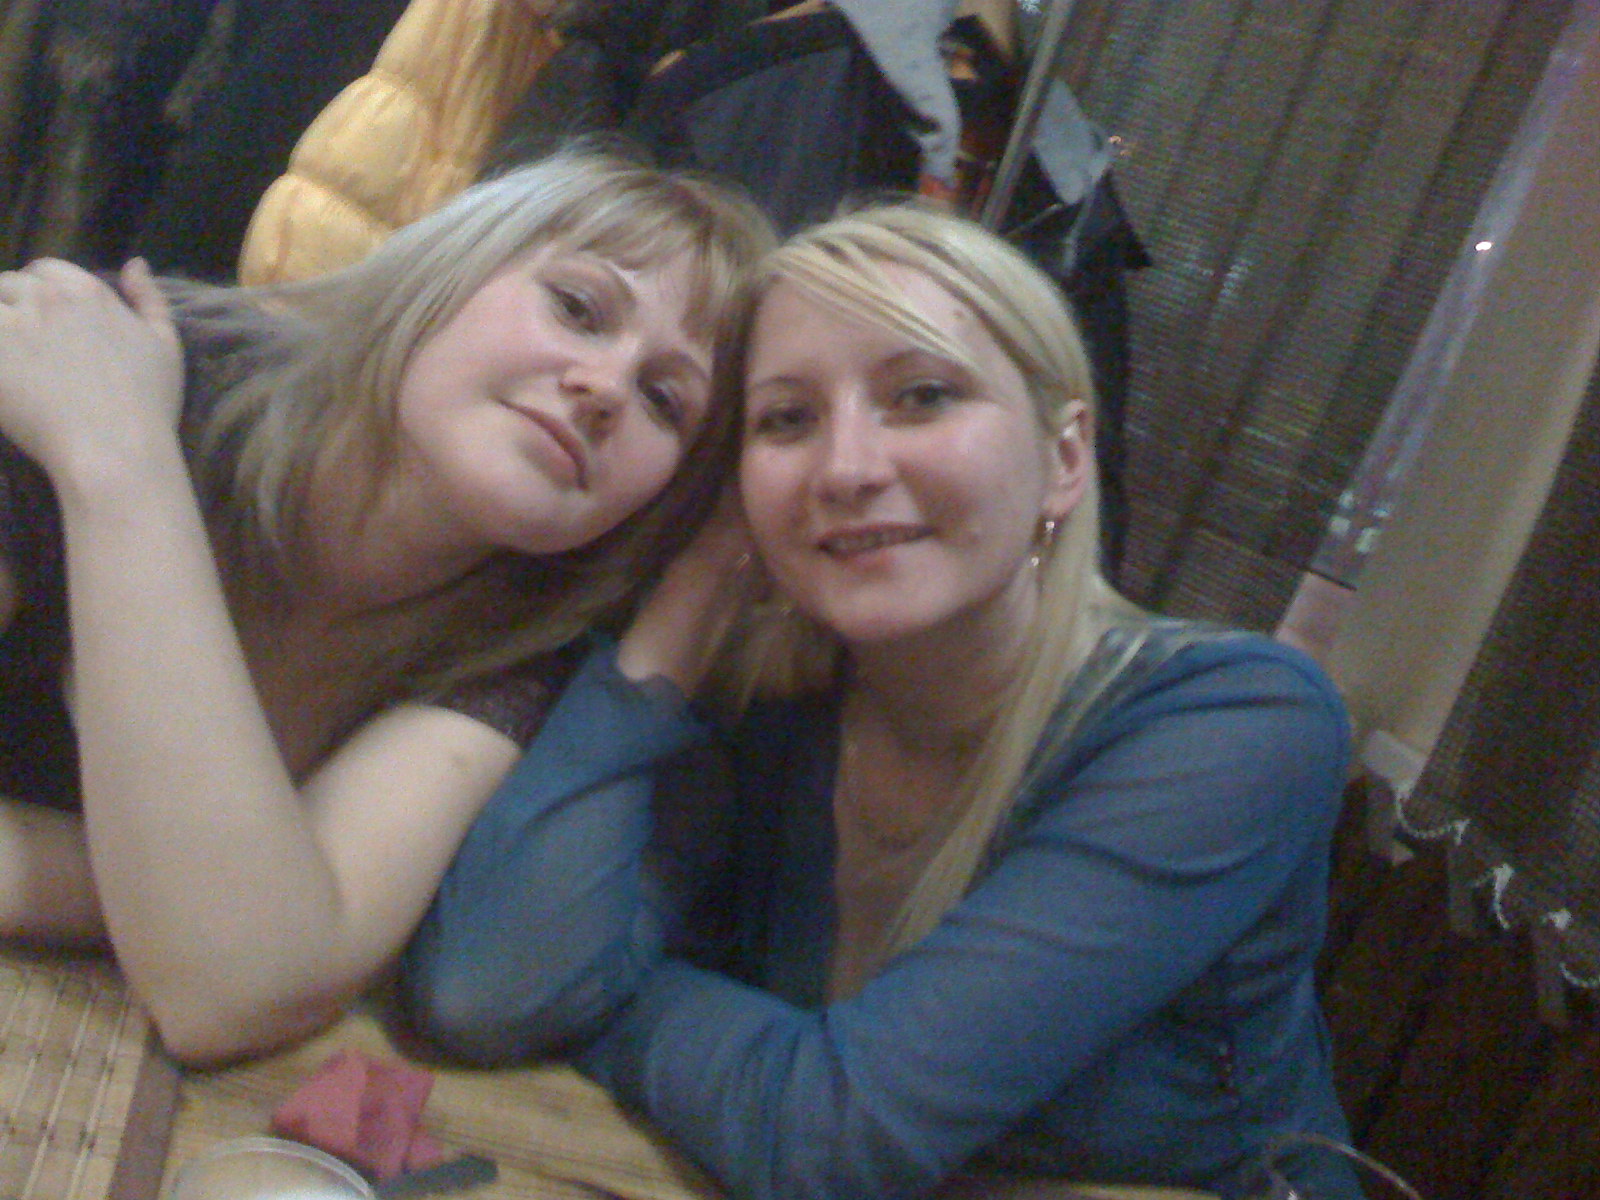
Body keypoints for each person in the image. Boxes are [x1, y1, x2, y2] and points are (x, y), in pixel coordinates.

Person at [401, 204, 1364, 1199]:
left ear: (1066, 458)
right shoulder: (768, 707)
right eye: (786, 419)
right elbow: (489, 990)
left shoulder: (1235, 726)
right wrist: (693, 593)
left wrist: (600, 994)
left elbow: (830, 1139)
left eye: (922, 396)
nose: (847, 468)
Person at [0, 148, 773, 1064]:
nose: (605, 389)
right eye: (577, 307)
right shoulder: (108, 364)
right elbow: (238, 944)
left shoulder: (527, 647)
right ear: (449, 267)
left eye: (664, 399)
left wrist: (120, 463)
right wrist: (187, 886)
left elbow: (234, 985)